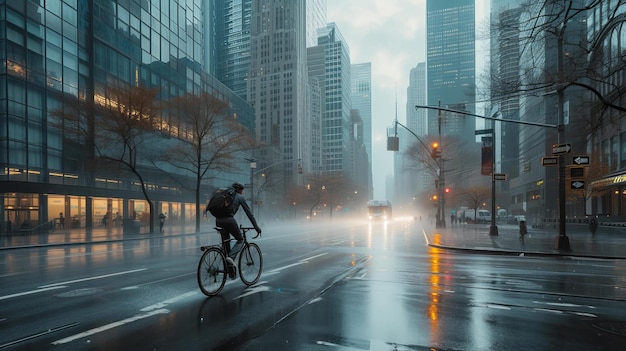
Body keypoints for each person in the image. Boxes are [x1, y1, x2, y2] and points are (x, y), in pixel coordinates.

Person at [205, 182, 261, 277]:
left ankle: (230, 271)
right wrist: (256, 227)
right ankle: (231, 257)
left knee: (226, 245)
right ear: (239, 189)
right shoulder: (239, 197)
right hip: (229, 221)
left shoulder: (225, 195)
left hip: (218, 221)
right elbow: (249, 213)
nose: (243, 192)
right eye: (242, 189)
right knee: (240, 240)